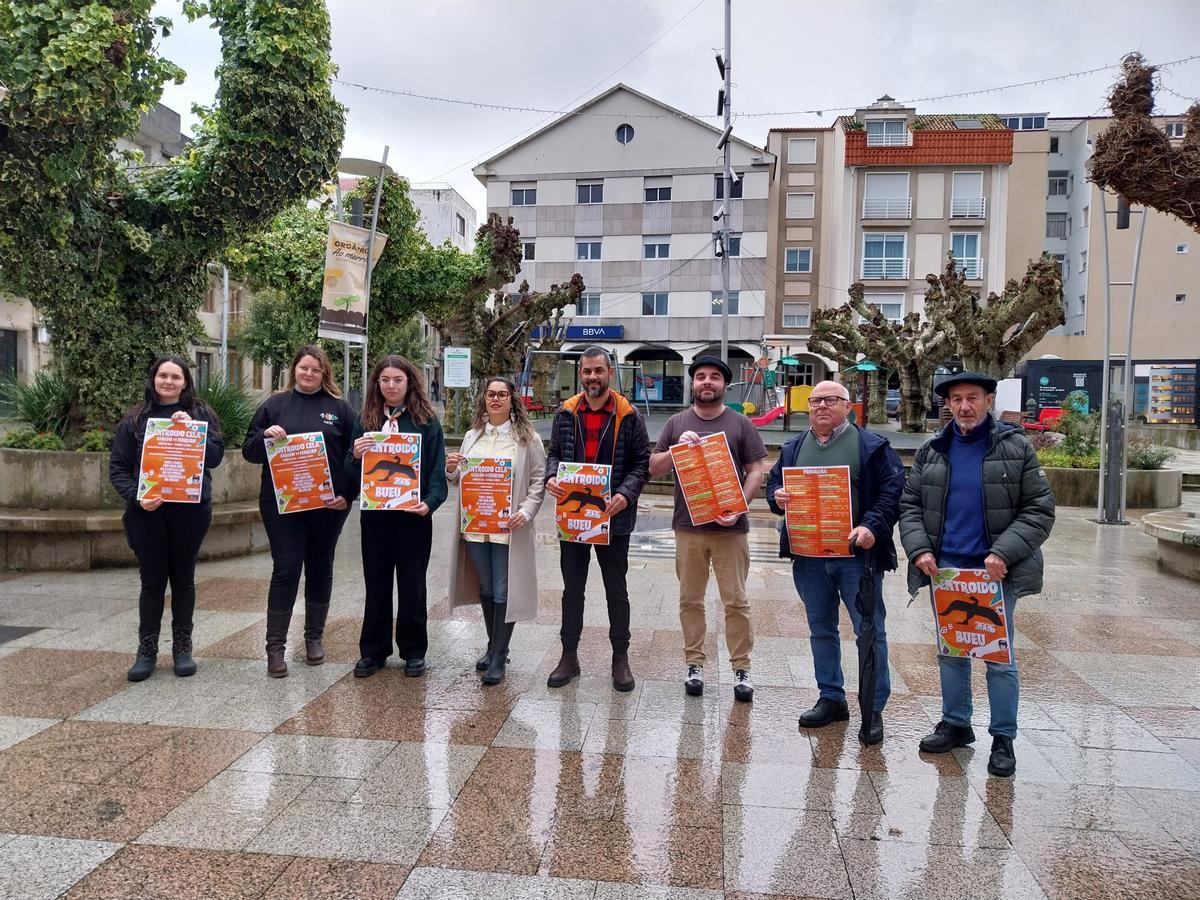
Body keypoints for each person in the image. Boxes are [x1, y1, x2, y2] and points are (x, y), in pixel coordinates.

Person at [899, 371, 1055, 777]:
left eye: (972, 398)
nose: (964, 406)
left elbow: (1039, 509)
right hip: (947, 572)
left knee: (998, 658)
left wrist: (1004, 552)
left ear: (989, 400)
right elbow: (910, 505)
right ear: (947, 405)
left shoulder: (1014, 446)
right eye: (956, 399)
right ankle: (956, 723)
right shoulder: (934, 448)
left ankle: (1003, 738)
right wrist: (918, 550)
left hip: (994, 574)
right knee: (952, 652)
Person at [766, 380, 905, 745]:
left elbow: (894, 493)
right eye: (815, 401)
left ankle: (873, 708)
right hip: (810, 557)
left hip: (857, 558)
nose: (822, 406)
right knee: (821, 629)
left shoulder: (871, 446)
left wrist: (872, 526)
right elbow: (774, 485)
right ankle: (831, 698)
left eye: (831, 400)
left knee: (869, 631)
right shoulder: (795, 446)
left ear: (848, 407)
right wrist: (776, 496)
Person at [648, 355, 768, 701]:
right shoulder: (676, 423)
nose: (707, 382)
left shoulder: (740, 423)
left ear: (724, 385)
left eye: (714, 377)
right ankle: (694, 663)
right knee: (690, 599)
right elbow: (654, 467)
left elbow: (757, 470)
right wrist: (676, 449)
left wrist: (739, 505)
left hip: (731, 528)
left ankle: (741, 667)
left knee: (736, 600)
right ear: (693, 383)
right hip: (688, 525)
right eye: (700, 376)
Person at [243, 344, 356, 678]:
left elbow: (356, 456)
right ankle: (275, 648)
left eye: (316, 370)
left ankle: (313, 639)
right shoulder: (274, 406)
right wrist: (265, 436)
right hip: (282, 507)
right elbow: (249, 450)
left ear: (325, 374)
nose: (309, 374)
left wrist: (348, 494)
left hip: (327, 505)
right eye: (304, 368)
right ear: (294, 369)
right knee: (287, 569)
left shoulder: (340, 409)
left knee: (321, 568)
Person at [109, 356, 225, 681]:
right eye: (163, 375)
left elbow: (215, 458)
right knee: (152, 582)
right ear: (154, 379)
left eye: (176, 376)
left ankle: (182, 647)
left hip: (190, 512)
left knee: (184, 579)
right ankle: (146, 650)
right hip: (147, 513)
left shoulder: (201, 415)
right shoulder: (135, 419)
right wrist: (137, 496)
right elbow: (118, 468)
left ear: (186, 382)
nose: (169, 381)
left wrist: (193, 432)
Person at [544, 347, 650, 692]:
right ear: (581, 375)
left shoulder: (628, 414)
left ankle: (620, 658)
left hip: (613, 517)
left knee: (616, 591)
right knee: (572, 590)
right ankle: (568, 656)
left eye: (598, 371)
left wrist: (626, 494)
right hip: (574, 517)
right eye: (587, 371)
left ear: (609, 372)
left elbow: (641, 462)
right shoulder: (566, 412)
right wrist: (550, 477)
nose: (593, 377)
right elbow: (555, 454)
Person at [345, 355, 447, 678]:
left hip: (413, 517)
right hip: (375, 517)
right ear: (377, 384)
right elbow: (352, 475)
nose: (391, 385)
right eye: (385, 380)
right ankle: (373, 650)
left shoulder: (426, 421)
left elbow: (436, 471)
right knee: (376, 583)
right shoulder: (366, 419)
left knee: (413, 583)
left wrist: (429, 503)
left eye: (397, 380)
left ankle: (414, 650)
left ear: (409, 383)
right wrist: (355, 455)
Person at [446, 376, 547, 684]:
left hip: (507, 528)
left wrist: (526, 512)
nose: (496, 399)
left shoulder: (528, 439)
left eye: (502, 394)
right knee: (487, 588)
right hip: (476, 527)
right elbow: (456, 478)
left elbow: (538, 481)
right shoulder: (472, 436)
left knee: (504, 590)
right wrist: (451, 467)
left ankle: (499, 656)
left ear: (511, 399)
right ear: (484, 399)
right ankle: (493, 646)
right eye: (491, 394)